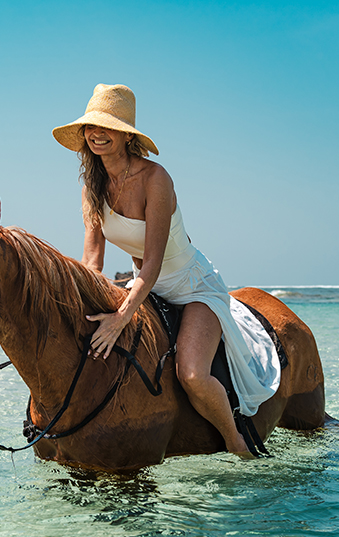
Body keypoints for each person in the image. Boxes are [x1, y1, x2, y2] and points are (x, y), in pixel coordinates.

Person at [52, 83, 279, 455]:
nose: (96, 134)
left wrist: (121, 317)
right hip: (146, 288)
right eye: (90, 127)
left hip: (190, 285)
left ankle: (235, 441)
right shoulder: (92, 186)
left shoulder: (156, 179)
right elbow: (92, 261)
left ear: (127, 136)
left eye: (106, 127)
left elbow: (153, 264)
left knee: (191, 374)